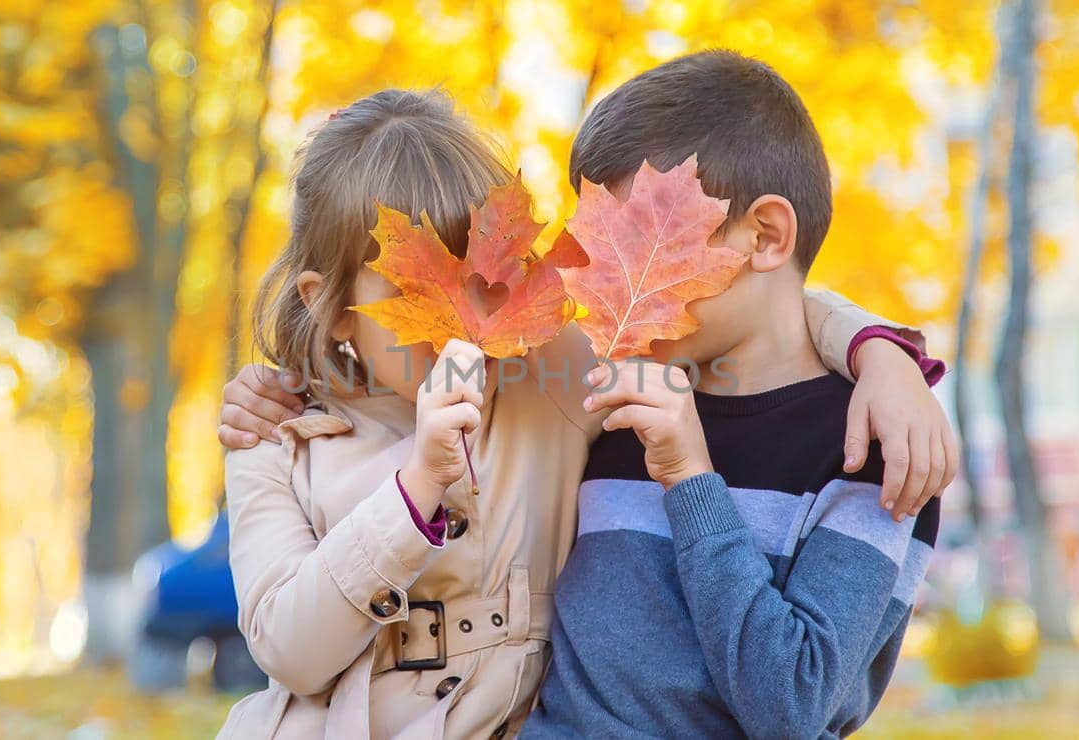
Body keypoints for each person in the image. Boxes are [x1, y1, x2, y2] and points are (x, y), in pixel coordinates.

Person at [217, 85, 951, 738]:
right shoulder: (274, 438)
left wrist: (880, 353)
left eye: (486, 284)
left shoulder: (549, 377)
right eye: (410, 300)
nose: (459, 329)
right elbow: (289, 650)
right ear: (328, 305)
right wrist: (414, 493)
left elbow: (726, 305)